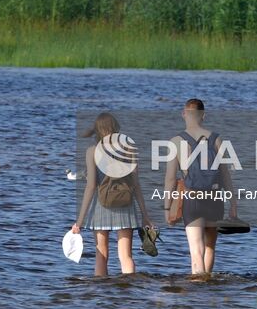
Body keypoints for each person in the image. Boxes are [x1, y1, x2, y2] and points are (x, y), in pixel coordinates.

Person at [70, 112, 152, 277]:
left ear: (98, 130)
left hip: (100, 206)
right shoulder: (129, 149)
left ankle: (102, 297)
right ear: (115, 128)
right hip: (126, 204)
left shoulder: (92, 151)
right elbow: (136, 184)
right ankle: (129, 290)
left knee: (102, 256)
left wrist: (79, 221)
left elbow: (91, 186)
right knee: (126, 256)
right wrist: (145, 215)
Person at [164, 98, 236, 277]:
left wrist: (167, 207)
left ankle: (197, 295)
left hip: (193, 199)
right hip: (215, 199)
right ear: (203, 116)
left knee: (196, 251)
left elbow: (171, 179)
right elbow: (225, 175)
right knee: (210, 247)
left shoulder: (176, 141)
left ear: (184, 114)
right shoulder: (216, 139)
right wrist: (233, 204)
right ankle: (208, 288)